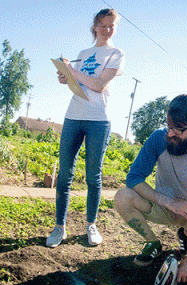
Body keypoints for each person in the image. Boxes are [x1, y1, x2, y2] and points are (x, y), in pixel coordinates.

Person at [114, 93, 187, 283]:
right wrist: (170, 202)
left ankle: (186, 234)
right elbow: (134, 178)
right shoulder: (157, 139)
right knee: (122, 196)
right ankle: (152, 243)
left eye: (178, 129)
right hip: (163, 204)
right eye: (169, 125)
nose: (170, 133)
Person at [46, 9, 125, 247]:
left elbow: (99, 85)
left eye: (111, 26)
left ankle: (91, 224)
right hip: (73, 116)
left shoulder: (116, 53)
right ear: (95, 27)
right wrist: (66, 77)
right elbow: (77, 81)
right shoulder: (83, 53)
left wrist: (74, 72)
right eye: (103, 25)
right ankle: (59, 227)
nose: (107, 30)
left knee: (93, 176)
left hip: (99, 120)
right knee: (65, 175)